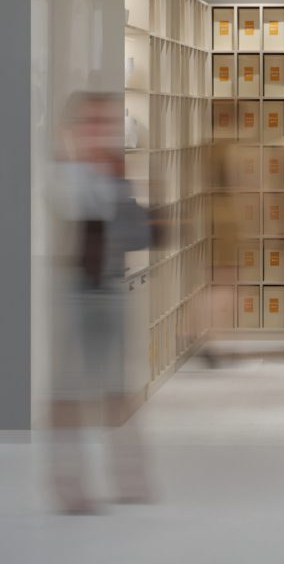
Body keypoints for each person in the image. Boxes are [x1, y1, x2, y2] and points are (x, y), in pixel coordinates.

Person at [48, 91, 152, 513]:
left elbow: (131, 230)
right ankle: (67, 481)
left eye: (107, 124)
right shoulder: (64, 174)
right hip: (75, 290)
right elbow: (76, 210)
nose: (102, 132)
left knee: (117, 387)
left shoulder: (113, 173)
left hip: (110, 287)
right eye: (93, 123)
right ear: (74, 128)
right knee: (68, 390)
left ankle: (130, 475)